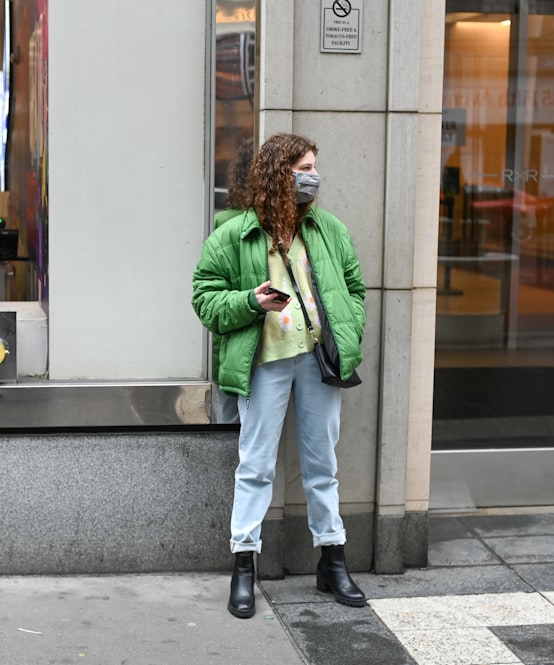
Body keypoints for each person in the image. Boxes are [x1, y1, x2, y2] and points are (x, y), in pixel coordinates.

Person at [191, 133, 367, 617]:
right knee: (255, 465)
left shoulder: (328, 229)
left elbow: (354, 287)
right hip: (264, 362)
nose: (312, 176)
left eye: (314, 166)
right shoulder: (234, 234)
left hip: (317, 360)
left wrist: (350, 329)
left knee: (321, 464)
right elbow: (204, 298)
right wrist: (252, 301)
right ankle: (244, 567)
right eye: (303, 168)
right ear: (276, 174)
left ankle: (332, 562)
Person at [211, 137, 255, 424]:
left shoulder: (223, 221)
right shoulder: (229, 224)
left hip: (232, 338)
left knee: (229, 422)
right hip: (252, 340)